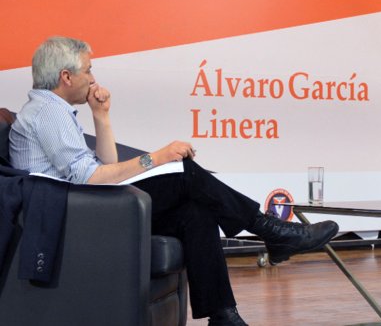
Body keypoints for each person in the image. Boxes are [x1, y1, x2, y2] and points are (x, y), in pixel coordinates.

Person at [9, 36, 339, 326]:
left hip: (86, 208)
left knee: (196, 212)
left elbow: (105, 165)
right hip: (78, 217)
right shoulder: (47, 112)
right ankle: (271, 230)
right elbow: (90, 178)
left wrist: (102, 115)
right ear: (66, 76)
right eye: (88, 70)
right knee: (186, 175)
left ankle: (223, 315)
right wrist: (159, 156)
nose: (93, 78)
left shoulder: (53, 110)